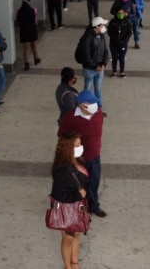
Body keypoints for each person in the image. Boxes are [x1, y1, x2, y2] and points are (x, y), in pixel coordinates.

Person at [57, 90, 107, 218]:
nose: (96, 105)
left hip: (95, 156)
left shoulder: (98, 114)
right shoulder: (70, 117)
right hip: (79, 158)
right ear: (83, 105)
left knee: (94, 181)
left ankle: (94, 206)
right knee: (78, 183)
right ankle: (79, 208)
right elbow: (62, 135)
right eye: (92, 103)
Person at [50, 131, 90, 269]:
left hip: (78, 207)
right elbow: (58, 194)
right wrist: (78, 196)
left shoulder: (77, 161)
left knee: (77, 234)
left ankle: (74, 263)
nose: (81, 147)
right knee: (68, 239)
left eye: (80, 144)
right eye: (77, 145)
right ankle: (68, 266)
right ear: (68, 149)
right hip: (67, 209)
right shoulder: (63, 171)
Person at [79, 17, 109, 113]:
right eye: (102, 25)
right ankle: (85, 108)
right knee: (87, 89)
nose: (104, 27)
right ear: (96, 26)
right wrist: (95, 66)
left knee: (98, 88)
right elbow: (86, 56)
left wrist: (104, 64)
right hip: (90, 69)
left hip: (100, 68)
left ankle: (98, 108)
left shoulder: (101, 36)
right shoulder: (87, 38)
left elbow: (105, 50)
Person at [15, 0, 41, 71]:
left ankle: (26, 64)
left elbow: (18, 21)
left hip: (24, 31)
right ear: (29, 2)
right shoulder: (34, 10)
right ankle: (36, 59)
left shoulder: (18, 11)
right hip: (33, 30)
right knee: (34, 46)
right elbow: (35, 21)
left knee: (26, 49)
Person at [107, 7, 133, 78]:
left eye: (122, 13)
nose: (120, 14)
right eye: (119, 13)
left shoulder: (127, 22)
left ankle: (122, 72)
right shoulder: (113, 22)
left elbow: (129, 32)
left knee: (122, 58)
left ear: (124, 13)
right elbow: (109, 32)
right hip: (113, 43)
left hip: (123, 43)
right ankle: (114, 71)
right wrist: (115, 39)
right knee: (114, 57)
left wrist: (124, 40)